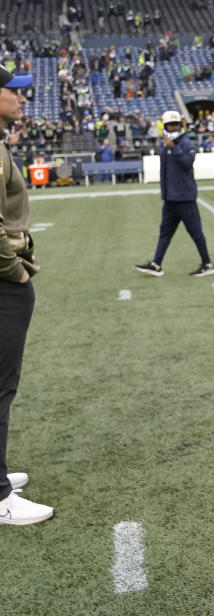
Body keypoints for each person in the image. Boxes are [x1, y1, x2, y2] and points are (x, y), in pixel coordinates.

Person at [0, 66, 54, 526]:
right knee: (0, 387)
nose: (22, 98)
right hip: (2, 282)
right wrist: (14, 271)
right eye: (12, 92)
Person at [134, 110, 214, 277]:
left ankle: (208, 264)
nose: (173, 128)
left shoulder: (185, 143)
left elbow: (188, 163)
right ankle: (156, 264)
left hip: (184, 197)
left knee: (195, 232)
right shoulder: (163, 144)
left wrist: (175, 148)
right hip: (170, 198)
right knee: (165, 232)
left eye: (175, 125)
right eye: (170, 126)